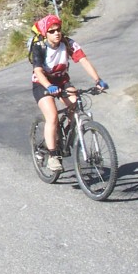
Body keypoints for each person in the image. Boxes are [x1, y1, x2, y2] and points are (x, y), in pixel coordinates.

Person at [31, 14, 108, 171]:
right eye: (52, 31)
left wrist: (97, 80)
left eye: (58, 29)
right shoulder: (39, 47)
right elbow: (38, 71)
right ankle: (53, 155)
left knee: (76, 107)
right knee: (52, 116)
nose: (56, 33)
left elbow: (83, 60)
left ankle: (65, 135)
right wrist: (48, 86)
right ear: (45, 33)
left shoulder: (68, 43)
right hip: (42, 83)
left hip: (62, 81)